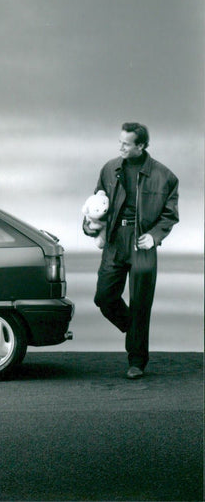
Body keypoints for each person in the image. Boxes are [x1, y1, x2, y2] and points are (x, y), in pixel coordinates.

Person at [83, 122, 179, 379]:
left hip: (142, 242)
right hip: (115, 240)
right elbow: (96, 204)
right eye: (120, 142)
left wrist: (155, 236)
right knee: (104, 297)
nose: (120, 147)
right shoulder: (109, 168)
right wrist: (89, 226)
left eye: (126, 143)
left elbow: (170, 216)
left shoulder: (165, 176)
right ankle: (133, 330)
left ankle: (136, 361)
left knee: (141, 303)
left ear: (141, 146)